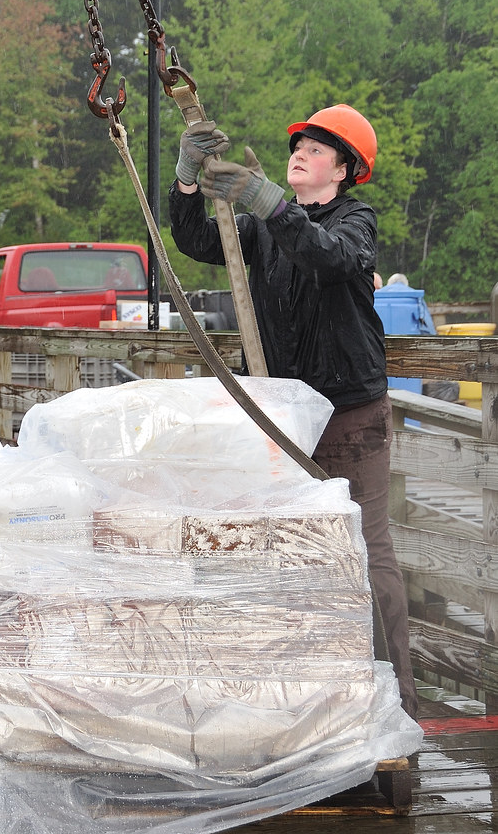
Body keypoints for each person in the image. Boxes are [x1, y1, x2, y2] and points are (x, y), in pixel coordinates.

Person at [169, 104, 418, 720]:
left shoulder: (355, 221)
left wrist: (269, 202)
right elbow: (197, 240)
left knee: (366, 550)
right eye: (298, 146)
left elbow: (329, 256)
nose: (301, 153)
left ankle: (397, 704)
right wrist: (186, 179)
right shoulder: (263, 228)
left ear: (344, 170)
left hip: (349, 416)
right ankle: (310, 697)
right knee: (288, 553)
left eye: (316, 148)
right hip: (282, 417)